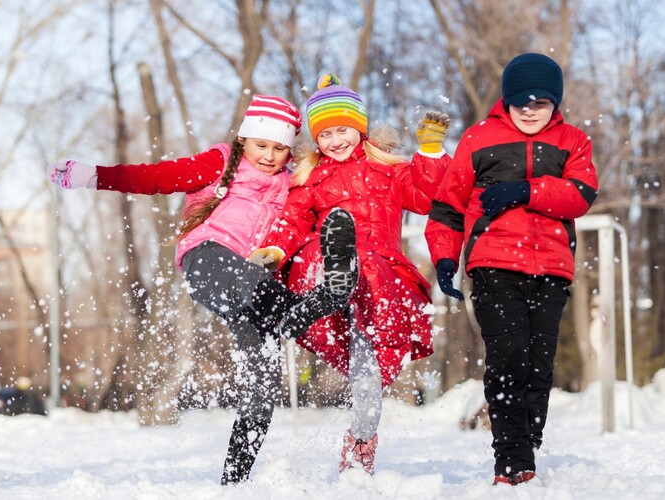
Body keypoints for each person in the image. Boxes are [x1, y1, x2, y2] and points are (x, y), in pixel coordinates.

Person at [47, 94, 359, 484]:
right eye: (262, 145)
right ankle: (305, 309)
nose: (269, 156)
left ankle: (234, 481)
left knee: (263, 388)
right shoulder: (221, 162)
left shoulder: (291, 181)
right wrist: (95, 175)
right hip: (208, 258)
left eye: (280, 148)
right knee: (252, 284)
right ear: (245, 140)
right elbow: (157, 177)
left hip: (257, 285)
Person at [250, 74, 451, 474]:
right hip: (328, 279)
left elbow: (428, 197)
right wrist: (274, 249)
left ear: (359, 128)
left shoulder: (390, 171)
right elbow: (291, 223)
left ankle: (360, 445)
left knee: (368, 382)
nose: (335, 140)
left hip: (377, 283)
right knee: (317, 248)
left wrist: (430, 151)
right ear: (316, 140)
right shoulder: (310, 180)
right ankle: (333, 275)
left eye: (343, 130)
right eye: (325, 135)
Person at [425, 53, 599, 486]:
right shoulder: (479, 138)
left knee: (540, 365)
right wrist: (445, 257)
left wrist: (526, 190)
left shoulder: (573, 141)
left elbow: (580, 193)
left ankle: (527, 443)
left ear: (555, 103)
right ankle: (512, 460)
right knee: (509, 358)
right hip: (493, 264)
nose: (528, 108)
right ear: (507, 99)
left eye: (539, 102)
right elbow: (447, 206)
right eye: (520, 100)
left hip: (552, 268)